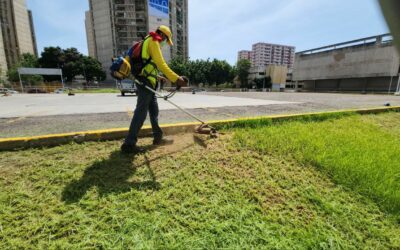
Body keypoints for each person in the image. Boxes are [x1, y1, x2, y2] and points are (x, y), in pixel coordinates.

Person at [121, 25, 187, 154]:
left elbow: (146, 65)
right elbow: (161, 63)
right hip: (145, 82)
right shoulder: (153, 41)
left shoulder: (146, 40)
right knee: (140, 112)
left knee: (154, 111)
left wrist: (158, 77)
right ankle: (128, 144)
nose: (164, 43)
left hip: (148, 81)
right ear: (162, 35)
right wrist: (176, 79)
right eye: (165, 40)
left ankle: (158, 138)